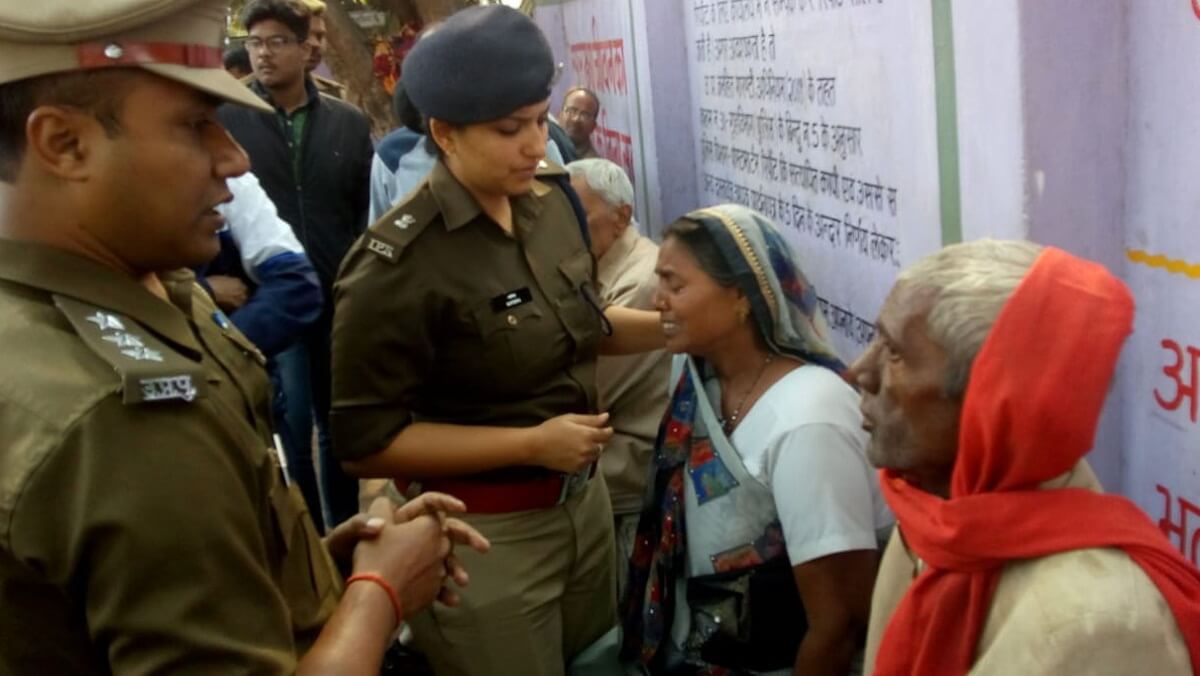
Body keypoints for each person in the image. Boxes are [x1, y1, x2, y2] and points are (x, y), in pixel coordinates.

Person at [0, 1, 489, 673]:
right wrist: (380, 594)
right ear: (64, 144)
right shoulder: (114, 414)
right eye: (197, 126)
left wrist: (318, 568)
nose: (232, 159)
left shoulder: (148, 290)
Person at [332, 6, 663, 675]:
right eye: (510, 130)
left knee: (601, 662)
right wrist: (530, 444)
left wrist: (684, 329)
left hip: (584, 509)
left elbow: (582, 325)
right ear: (444, 134)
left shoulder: (554, 203)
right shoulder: (396, 267)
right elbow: (365, 445)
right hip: (484, 540)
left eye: (540, 121)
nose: (535, 146)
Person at [850, 240, 1200, 675]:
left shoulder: (1097, 627)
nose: (860, 372)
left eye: (896, 353)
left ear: (994, 403)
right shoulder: (934, 523)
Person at [622, 205, 893, 675]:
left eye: (676, 285)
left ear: (741, 297)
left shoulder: (809, 420)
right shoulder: (694, 375)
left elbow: (839, 623)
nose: (657, 302)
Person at [220, 0, 373, 529]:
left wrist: (358, 282)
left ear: (306, 49)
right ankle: (308, 538)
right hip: (272, 301)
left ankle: (347, 531)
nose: (263, 54)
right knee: (290, 427)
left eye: (276, 42)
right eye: (255, 43)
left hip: (338, 296)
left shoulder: (348, 124)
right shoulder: (229, 118)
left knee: (336, 426)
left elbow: (363, 215)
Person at [196, 170, 327, 524]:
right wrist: (205, 292)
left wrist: (220, 348)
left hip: (253, 401)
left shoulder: (232, 181)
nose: (232, 157)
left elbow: (297, 288)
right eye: (193, 124)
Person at [566, 158, 670, 600]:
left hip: (625, 475)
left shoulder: (641, 281)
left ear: (621, 215)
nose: (568, 230)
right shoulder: (592, 265)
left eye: (579, 217)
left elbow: (587, 391)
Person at [299, 0, 349, 100]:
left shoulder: (335, 95)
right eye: (304, 35)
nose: (315, 44)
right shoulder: (259, 100)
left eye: (319, 36)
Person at [560, 86, 601, 159]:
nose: (576, 119)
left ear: (593, 126)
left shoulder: (592, 167)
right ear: (560, 115)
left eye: (585, 115)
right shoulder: (545, 151)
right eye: (571, 111)